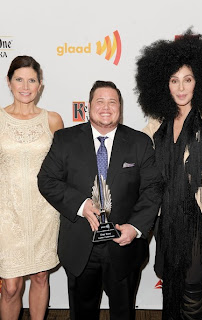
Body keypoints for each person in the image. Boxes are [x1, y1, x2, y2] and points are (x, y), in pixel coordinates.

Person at [37, 80, 162, 320]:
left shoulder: (140, 142)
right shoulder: (65, 139)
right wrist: (81, 205)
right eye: (100, 101)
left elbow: (153, 188)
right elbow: (47, 180)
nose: (106, 107)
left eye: (112, 102)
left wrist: (136, 227)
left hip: (124, 245)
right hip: (80, 246)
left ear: (120, 108)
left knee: (123, 314)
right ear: (88, 107)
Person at [135, 30, 202, 320]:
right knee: (169, 286)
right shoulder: (156, 122)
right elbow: (137, 162)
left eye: (188, 79)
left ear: (199, 80)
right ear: (164, 84)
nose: (181, 88)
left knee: (191, 292)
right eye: (174, 80)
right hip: (166, 217)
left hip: (201, 218)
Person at [0, 55, 64, 320]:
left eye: (32, 80)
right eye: (19, 79)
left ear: (40, 85)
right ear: (9, 82)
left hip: (44, 213)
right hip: (7, 213)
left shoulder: (52, 120)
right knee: (11, 286)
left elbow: (64, 170)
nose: (25, 86)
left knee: (40, 276)